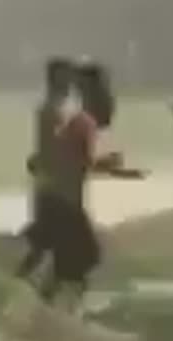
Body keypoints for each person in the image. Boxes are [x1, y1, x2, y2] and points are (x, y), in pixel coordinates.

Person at [41, 59, 145, 309]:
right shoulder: (83, 123)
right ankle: (59, 321)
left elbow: (72, 161)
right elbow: (79, 163)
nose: (111, 109)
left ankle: (44, 313)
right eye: (107, 102)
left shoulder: (78, 122)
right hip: (64, 205)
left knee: (67, 269)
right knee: (81, 266)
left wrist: (113, 168)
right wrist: (117, 169)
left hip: (60, 202)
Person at [16, 57, 76, 285]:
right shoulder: (50, 110)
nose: (70, 82)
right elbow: (49, 150)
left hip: (52, 186)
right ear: (54, 79)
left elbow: (46, 151)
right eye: (66, 77)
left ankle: (29, 291)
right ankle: (26, 291)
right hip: (51, 188)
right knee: (53, 248)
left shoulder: (57, 109)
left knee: (48, 248)